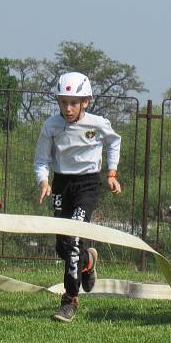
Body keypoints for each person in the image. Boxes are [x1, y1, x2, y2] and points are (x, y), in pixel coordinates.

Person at [34, 72, 122, 323]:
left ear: (86, 101)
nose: (68, 108)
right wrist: (43, 181)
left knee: (73, 240)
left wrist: (112, 172)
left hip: (88, 185)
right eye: (63, 102)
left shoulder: (98, 123)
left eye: (74, 102)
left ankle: (69, 299)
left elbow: (114, 142)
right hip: (62, 184)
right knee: (62, 246)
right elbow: (42, 158)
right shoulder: (50, 125)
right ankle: (87, 262)